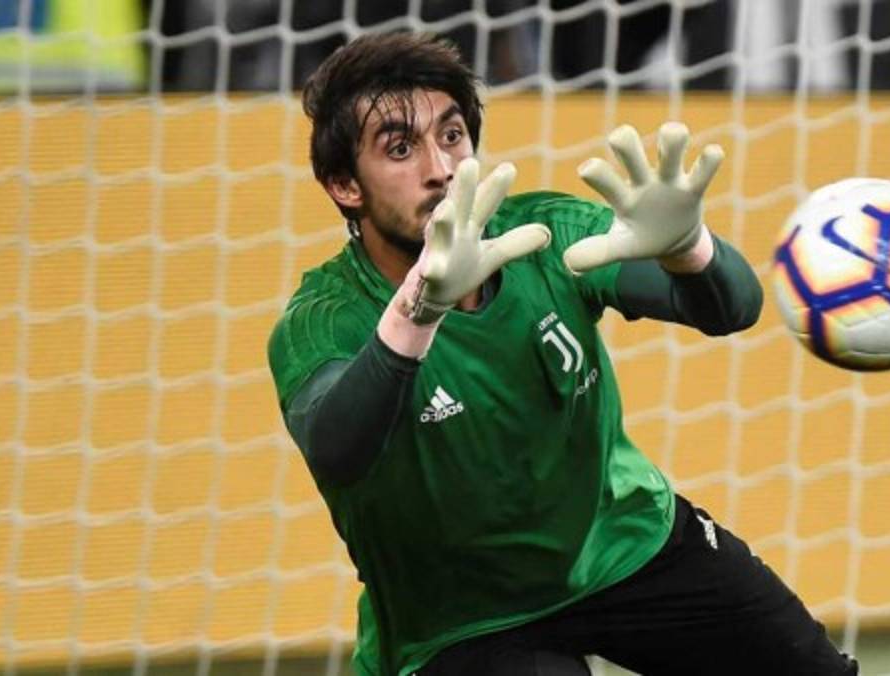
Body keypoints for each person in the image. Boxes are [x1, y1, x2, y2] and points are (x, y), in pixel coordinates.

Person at [267, 30, 858, 676]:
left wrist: (690, 248)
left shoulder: (546, 235)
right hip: (462, 621)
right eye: (400, 148)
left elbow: (733, 308)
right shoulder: (324, 319)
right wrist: (418, 311)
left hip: (621, 544)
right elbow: (337, 448)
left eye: (453, 135)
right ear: (344, 185)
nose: (440, 168)